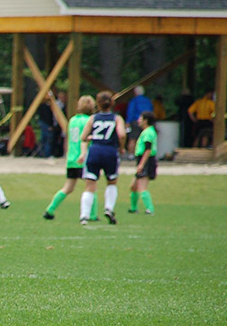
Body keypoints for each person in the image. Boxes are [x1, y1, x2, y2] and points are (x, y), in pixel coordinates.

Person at [44, 95, 98, 221]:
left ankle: (50, 209)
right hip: (84, 157)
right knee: (91, 186)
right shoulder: (89, 120)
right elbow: (87, 139)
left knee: (68, 187)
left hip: (72, 158)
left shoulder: (73, 120)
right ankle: (92, 214)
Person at [78, 91, 126, 225]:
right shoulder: (116, 118)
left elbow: (83, 137)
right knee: (111, 181)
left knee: (90, 185)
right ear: (112, 103)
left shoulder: (93, 118)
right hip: (110, 151)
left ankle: (84, 216)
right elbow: (122, 134)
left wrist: (91, 137)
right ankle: (109, 208)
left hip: (95, 150)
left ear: (97, 104)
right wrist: (121, 147)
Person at [129, 111, 158, 215]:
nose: (138, 120)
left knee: (142, 187)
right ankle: (133, 208)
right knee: (133, 186)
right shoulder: (147, 131)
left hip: (146, 161)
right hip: (143, 160)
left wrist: (141, 164)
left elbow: (148, 149)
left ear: (146, 120)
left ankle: (150, 209)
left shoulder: (148, 132)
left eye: (140, 118)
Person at [125, 85, 153, 158]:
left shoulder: (134, 100)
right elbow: (151, 110)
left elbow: (131, 111)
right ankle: (145, 154)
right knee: (146, 138)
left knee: (133, 138)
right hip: (146, 121)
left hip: (136, 121)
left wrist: (128, 121)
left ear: (135, 92)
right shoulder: (148, 100)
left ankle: (131, 154)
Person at [36, 93, 56, 158]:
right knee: (48, 139)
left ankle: (42, 153)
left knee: (43, 139)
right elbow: (47, 116)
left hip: (43, 123)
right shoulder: (46, 107)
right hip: (46, 124)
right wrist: (50, 125)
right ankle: (47, 154)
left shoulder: (40, 106)